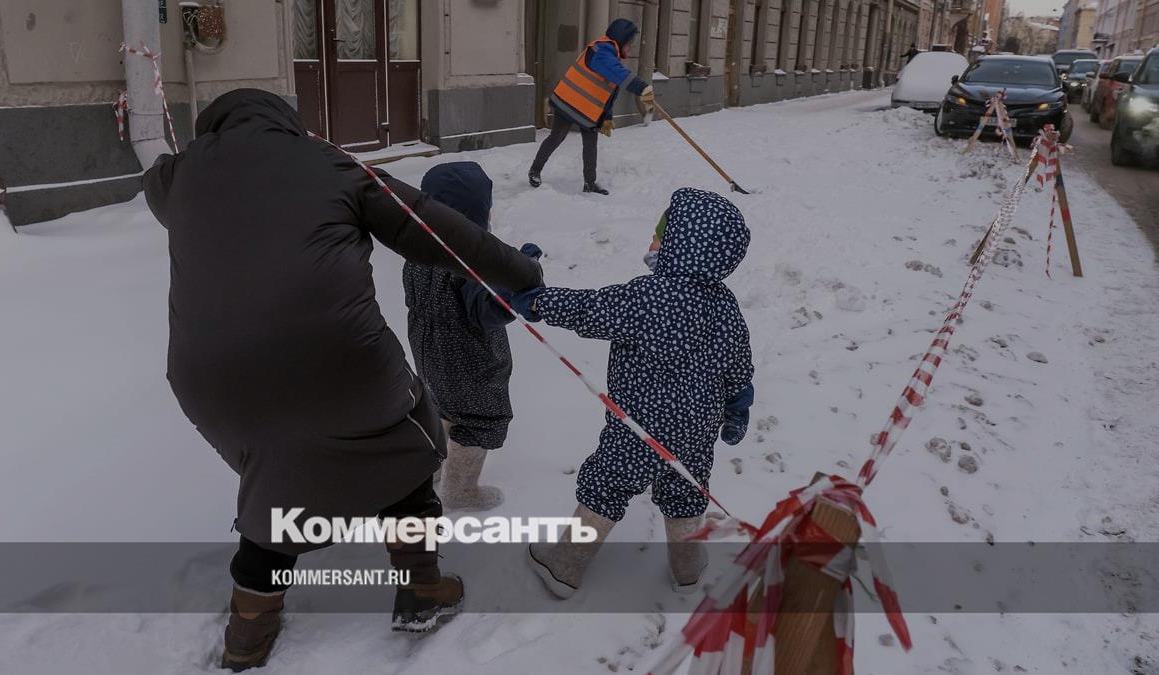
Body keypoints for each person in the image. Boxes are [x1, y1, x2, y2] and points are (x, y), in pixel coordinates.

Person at [141, 89, 543, 671]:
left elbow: (158, 179)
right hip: (339, 359)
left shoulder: (176, 178)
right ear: (289, 125)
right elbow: (435, 231)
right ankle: (421, 588)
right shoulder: (331, 165)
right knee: (408, 445)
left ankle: (249, 629)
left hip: (207, 378)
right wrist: (523, 271)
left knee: (278, 472)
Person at [510, 188, 755, 597]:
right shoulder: (725, 304)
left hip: (638, 429)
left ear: (683, 244)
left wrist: (538, 304)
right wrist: (738, 408)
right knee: (685, 491)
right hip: (697, 430)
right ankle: (688, 569)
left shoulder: (648, 296)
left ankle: (564, 567)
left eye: (661, 235)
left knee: (607, 486)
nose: (652, 242)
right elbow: (738, 365)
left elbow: (589, 309)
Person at [402, 162, 543, 511]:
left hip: (428, 353)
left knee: (438, 405)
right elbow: (490, 307)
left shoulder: (418, 249)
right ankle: (460, 491)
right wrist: (520, 274)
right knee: (478, 420)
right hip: (472, 365)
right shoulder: (474, 260)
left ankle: (431, 466)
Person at [528, 18, 656, 195]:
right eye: (630, 42)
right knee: (557, 137)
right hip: (568, 102)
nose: (631, 46)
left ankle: (589, 182)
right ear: (621, 39)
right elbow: (618, 74)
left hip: (588, 111)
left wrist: (607, 117)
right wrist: (642, 87)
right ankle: (535, 171)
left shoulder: (612, 57)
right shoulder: (602, 50)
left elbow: (609, 93)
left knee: (590, 145)